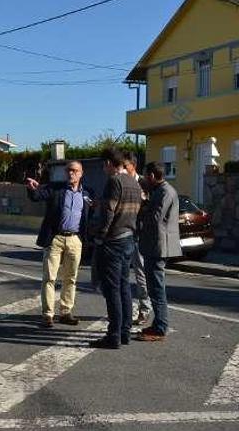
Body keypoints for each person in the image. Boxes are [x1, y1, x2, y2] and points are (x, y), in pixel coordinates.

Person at [26, 160, 94, 328]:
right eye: (69, 170)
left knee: (71, 278)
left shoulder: (88, 193)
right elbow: (37, 196)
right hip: (55, 238)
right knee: (49, 277)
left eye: (75, 171)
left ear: (81, 173)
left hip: (75, 240)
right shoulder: (55, 188)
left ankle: (66, 312)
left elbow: (90, 213)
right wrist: (31, 187)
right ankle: (48, 314)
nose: (71, 173)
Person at [89, 147, 143, 349]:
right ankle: (125, 333)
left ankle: (113, 336)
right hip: (129, 238)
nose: (104, 169)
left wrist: (100, 236)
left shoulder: (115, 181)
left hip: (113, 241)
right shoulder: (134, 183)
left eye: (104, 165)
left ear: (110, 163)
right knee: (124, 288)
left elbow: (109, 213)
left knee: (112, 290)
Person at [137, 162, 182, 342]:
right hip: (155, 245)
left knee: (156, 288)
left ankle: (160, 327)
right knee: (155, 287)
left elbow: (155, 218)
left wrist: (142, 206)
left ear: (153, 176)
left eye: (146, 175)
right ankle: (158, 324)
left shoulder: (165, 192)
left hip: (157, 246)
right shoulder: (161, 191)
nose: (144, 179)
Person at [124, 151, 152, 325]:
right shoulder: (121, 182)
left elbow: (149, 209)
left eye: (125, 166)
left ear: (133, 166)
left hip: (138, 235)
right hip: (123, 233)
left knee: (140, 273)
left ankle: (144, 309)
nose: (122, 170)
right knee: (122, 274)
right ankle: (125, 310)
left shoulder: (143, 183)